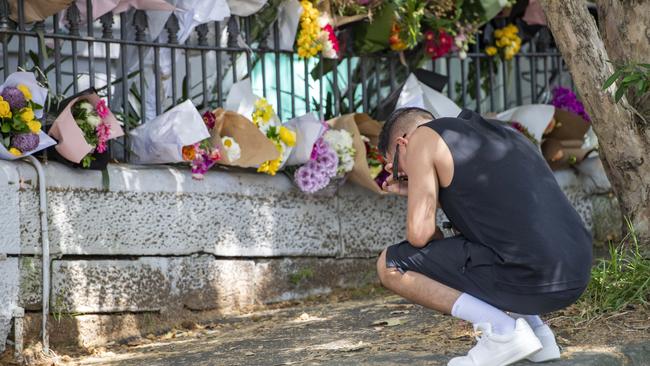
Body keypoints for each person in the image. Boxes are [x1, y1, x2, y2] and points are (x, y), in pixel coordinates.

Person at [376, 107, 592, 366]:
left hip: (534, 277)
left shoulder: (422, 138)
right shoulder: (501, 133)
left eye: (398, 168)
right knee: (496, 242)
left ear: (402, 143)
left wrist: (415, 195)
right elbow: (494, 221)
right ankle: (538, 334)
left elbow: (420, 237)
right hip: (576, 273)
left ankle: (503, 332)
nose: (404, 175)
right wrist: (421, 190)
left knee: (389, 264)